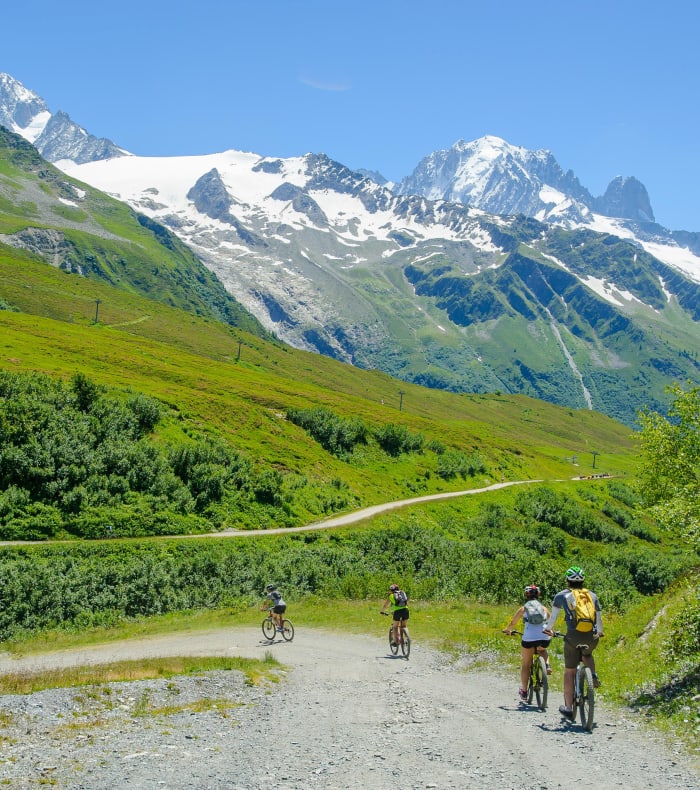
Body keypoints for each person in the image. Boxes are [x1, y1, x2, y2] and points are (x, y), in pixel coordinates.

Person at [543, 565, 604, 720]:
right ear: (583, 581)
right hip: (591, 637)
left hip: (573, 637)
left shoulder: (561, 595)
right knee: (587, 654)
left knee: (569, 671)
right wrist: (599, 632)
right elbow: (599, 618)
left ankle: (569, 707)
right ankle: (593, 675)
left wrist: (548, 630)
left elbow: (553, 617)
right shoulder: (592, 596)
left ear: (567, 581)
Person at [503, 584, 552, 702]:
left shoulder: (523, 609)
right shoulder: (544, 609)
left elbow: (513, 622)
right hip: (543, 637)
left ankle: (524, 691)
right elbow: (550, 623)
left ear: (526, 595)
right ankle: (547, 665)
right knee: (542, 650)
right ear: (539, 595)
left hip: (529, 638)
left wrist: (508, 630)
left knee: (526, 664)